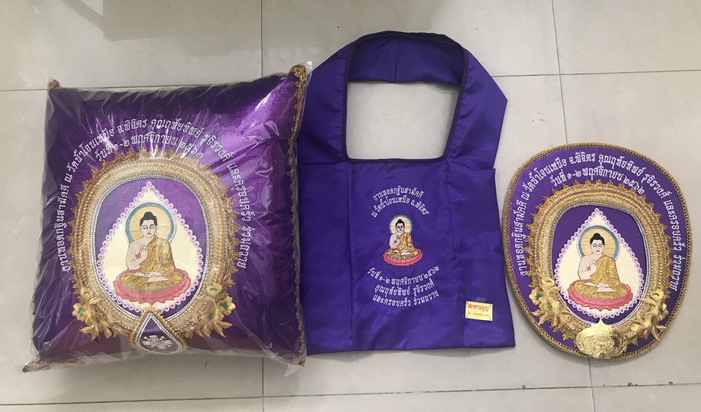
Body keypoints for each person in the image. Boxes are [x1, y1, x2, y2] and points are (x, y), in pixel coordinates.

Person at [118, 211, 184, 293]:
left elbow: (169, 267)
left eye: (151, 227)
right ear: (141, 229)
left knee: (177, 277)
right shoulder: (134, 244)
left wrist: (156, 274)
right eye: (145, 227)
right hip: (140, 274)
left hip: (158, 274)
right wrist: (142, 257)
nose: (148, 230)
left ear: (156, 228)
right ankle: (152, 280)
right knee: (125, 278)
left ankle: (151, 279)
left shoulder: (163, 243)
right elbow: (130, 265)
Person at [570, 233, 630, 302]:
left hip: (606, 285)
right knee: (578, 286)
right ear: (591, 246)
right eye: (594, 245)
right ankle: (600, 290)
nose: (597, 248)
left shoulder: (609, 260)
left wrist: (604, 285)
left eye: (600, 245)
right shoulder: (585, 259)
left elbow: (615, 280)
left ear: (604, 247)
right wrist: (592, 271)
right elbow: (582, 276)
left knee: (622, 290)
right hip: (591, 284)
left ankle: (601, 289)